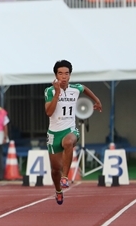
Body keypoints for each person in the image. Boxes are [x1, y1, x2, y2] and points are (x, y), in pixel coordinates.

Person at [44, 60, 103, 205]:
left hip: (70, 129)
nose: (64, 77)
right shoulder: (49, 91)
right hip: (53, 133)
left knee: (69, 142)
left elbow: (85, 88)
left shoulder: (75, 89)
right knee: (55, 169)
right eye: (60, 73)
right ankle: (58, 190)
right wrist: (57, 93)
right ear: (56, 75)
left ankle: (65, 177)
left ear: (70, 75)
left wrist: (97, 100)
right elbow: (49, 112)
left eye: (66, 73)